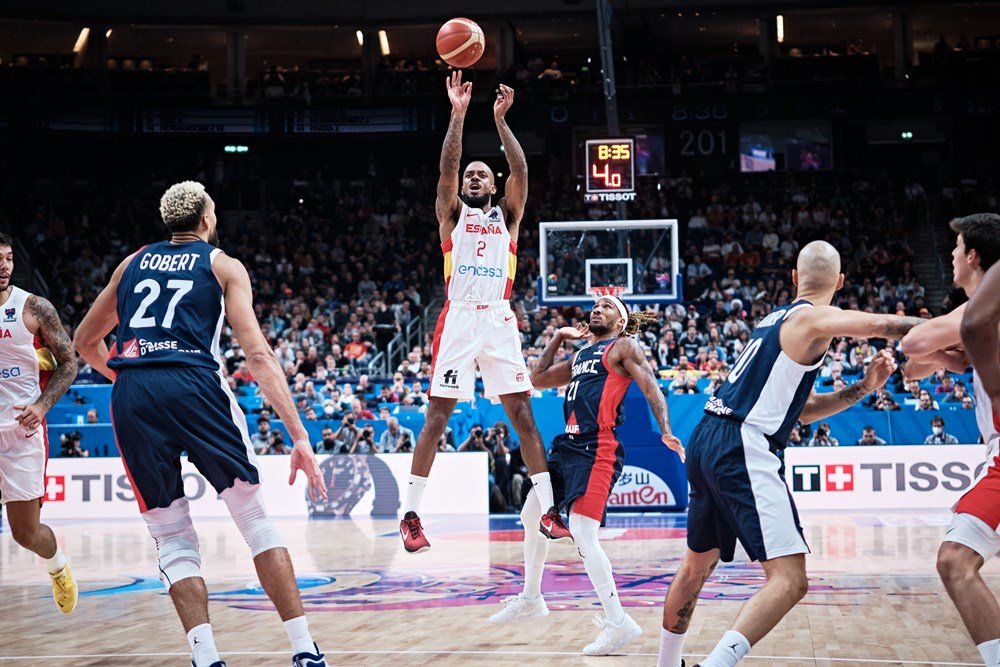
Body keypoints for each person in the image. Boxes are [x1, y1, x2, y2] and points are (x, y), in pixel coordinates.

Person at [73, 181, 329, 667]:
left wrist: (133, 378)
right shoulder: (222, 265)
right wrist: (299, 436)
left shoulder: (130, 264)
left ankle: (206, 656)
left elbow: (85, 341)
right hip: (195, 384)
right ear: (207, 220)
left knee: (171, 535)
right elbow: (258, 355)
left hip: (133, 391)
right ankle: (304, 649)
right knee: (254, 519)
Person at [657, 241, 922, 667]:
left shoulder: (772, 320)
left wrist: (865, 387)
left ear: (795, 277)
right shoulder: (814, 317)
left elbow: (803, 410)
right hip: (741, 443)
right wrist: (956, 325)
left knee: (695, 566)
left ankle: (666, 664)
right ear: (840, 282)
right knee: (790, 579)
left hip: (708, 434)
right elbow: (878, 323)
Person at [401, 72, 567, 553]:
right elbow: (447, 167)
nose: (473, 177)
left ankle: (550, 511)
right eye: (469, 175)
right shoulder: (452, 214)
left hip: (497, 318)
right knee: (438, 416)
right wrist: (457, 115)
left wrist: (500, 121)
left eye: (482, 174)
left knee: (523, 415)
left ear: (494, 186)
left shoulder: (508, 216)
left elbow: (522, 171)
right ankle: (410, 516)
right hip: (458, 318)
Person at [491, 296, 684, 656]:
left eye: (607, 306)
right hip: (568, 446)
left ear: (621, 322)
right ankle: (531, 597)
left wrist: (666, 429)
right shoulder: (581, 356)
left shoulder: (623, 346)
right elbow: (537, 379)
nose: (597, 308)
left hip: (599, 446)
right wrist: (557, 337)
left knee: (582, 532)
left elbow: (651, 386)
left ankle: (618, 622)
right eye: (595, 305)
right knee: (531, 514)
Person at [914, 215, 1000, 667]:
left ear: (973, 256)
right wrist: (948, 358)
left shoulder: (983, 311)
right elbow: (914, 367)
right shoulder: (979, 318)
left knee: (954, 561)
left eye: (957, 247)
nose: (950, 254)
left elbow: (914, 344)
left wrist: (939, 352)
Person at [0, 233, 79, 613]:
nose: (4, 266)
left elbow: (69, 363)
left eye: (9, 258)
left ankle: (57, 566)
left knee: (26, 533)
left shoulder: (33, 307)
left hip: (21, 432)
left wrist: (43, 405)